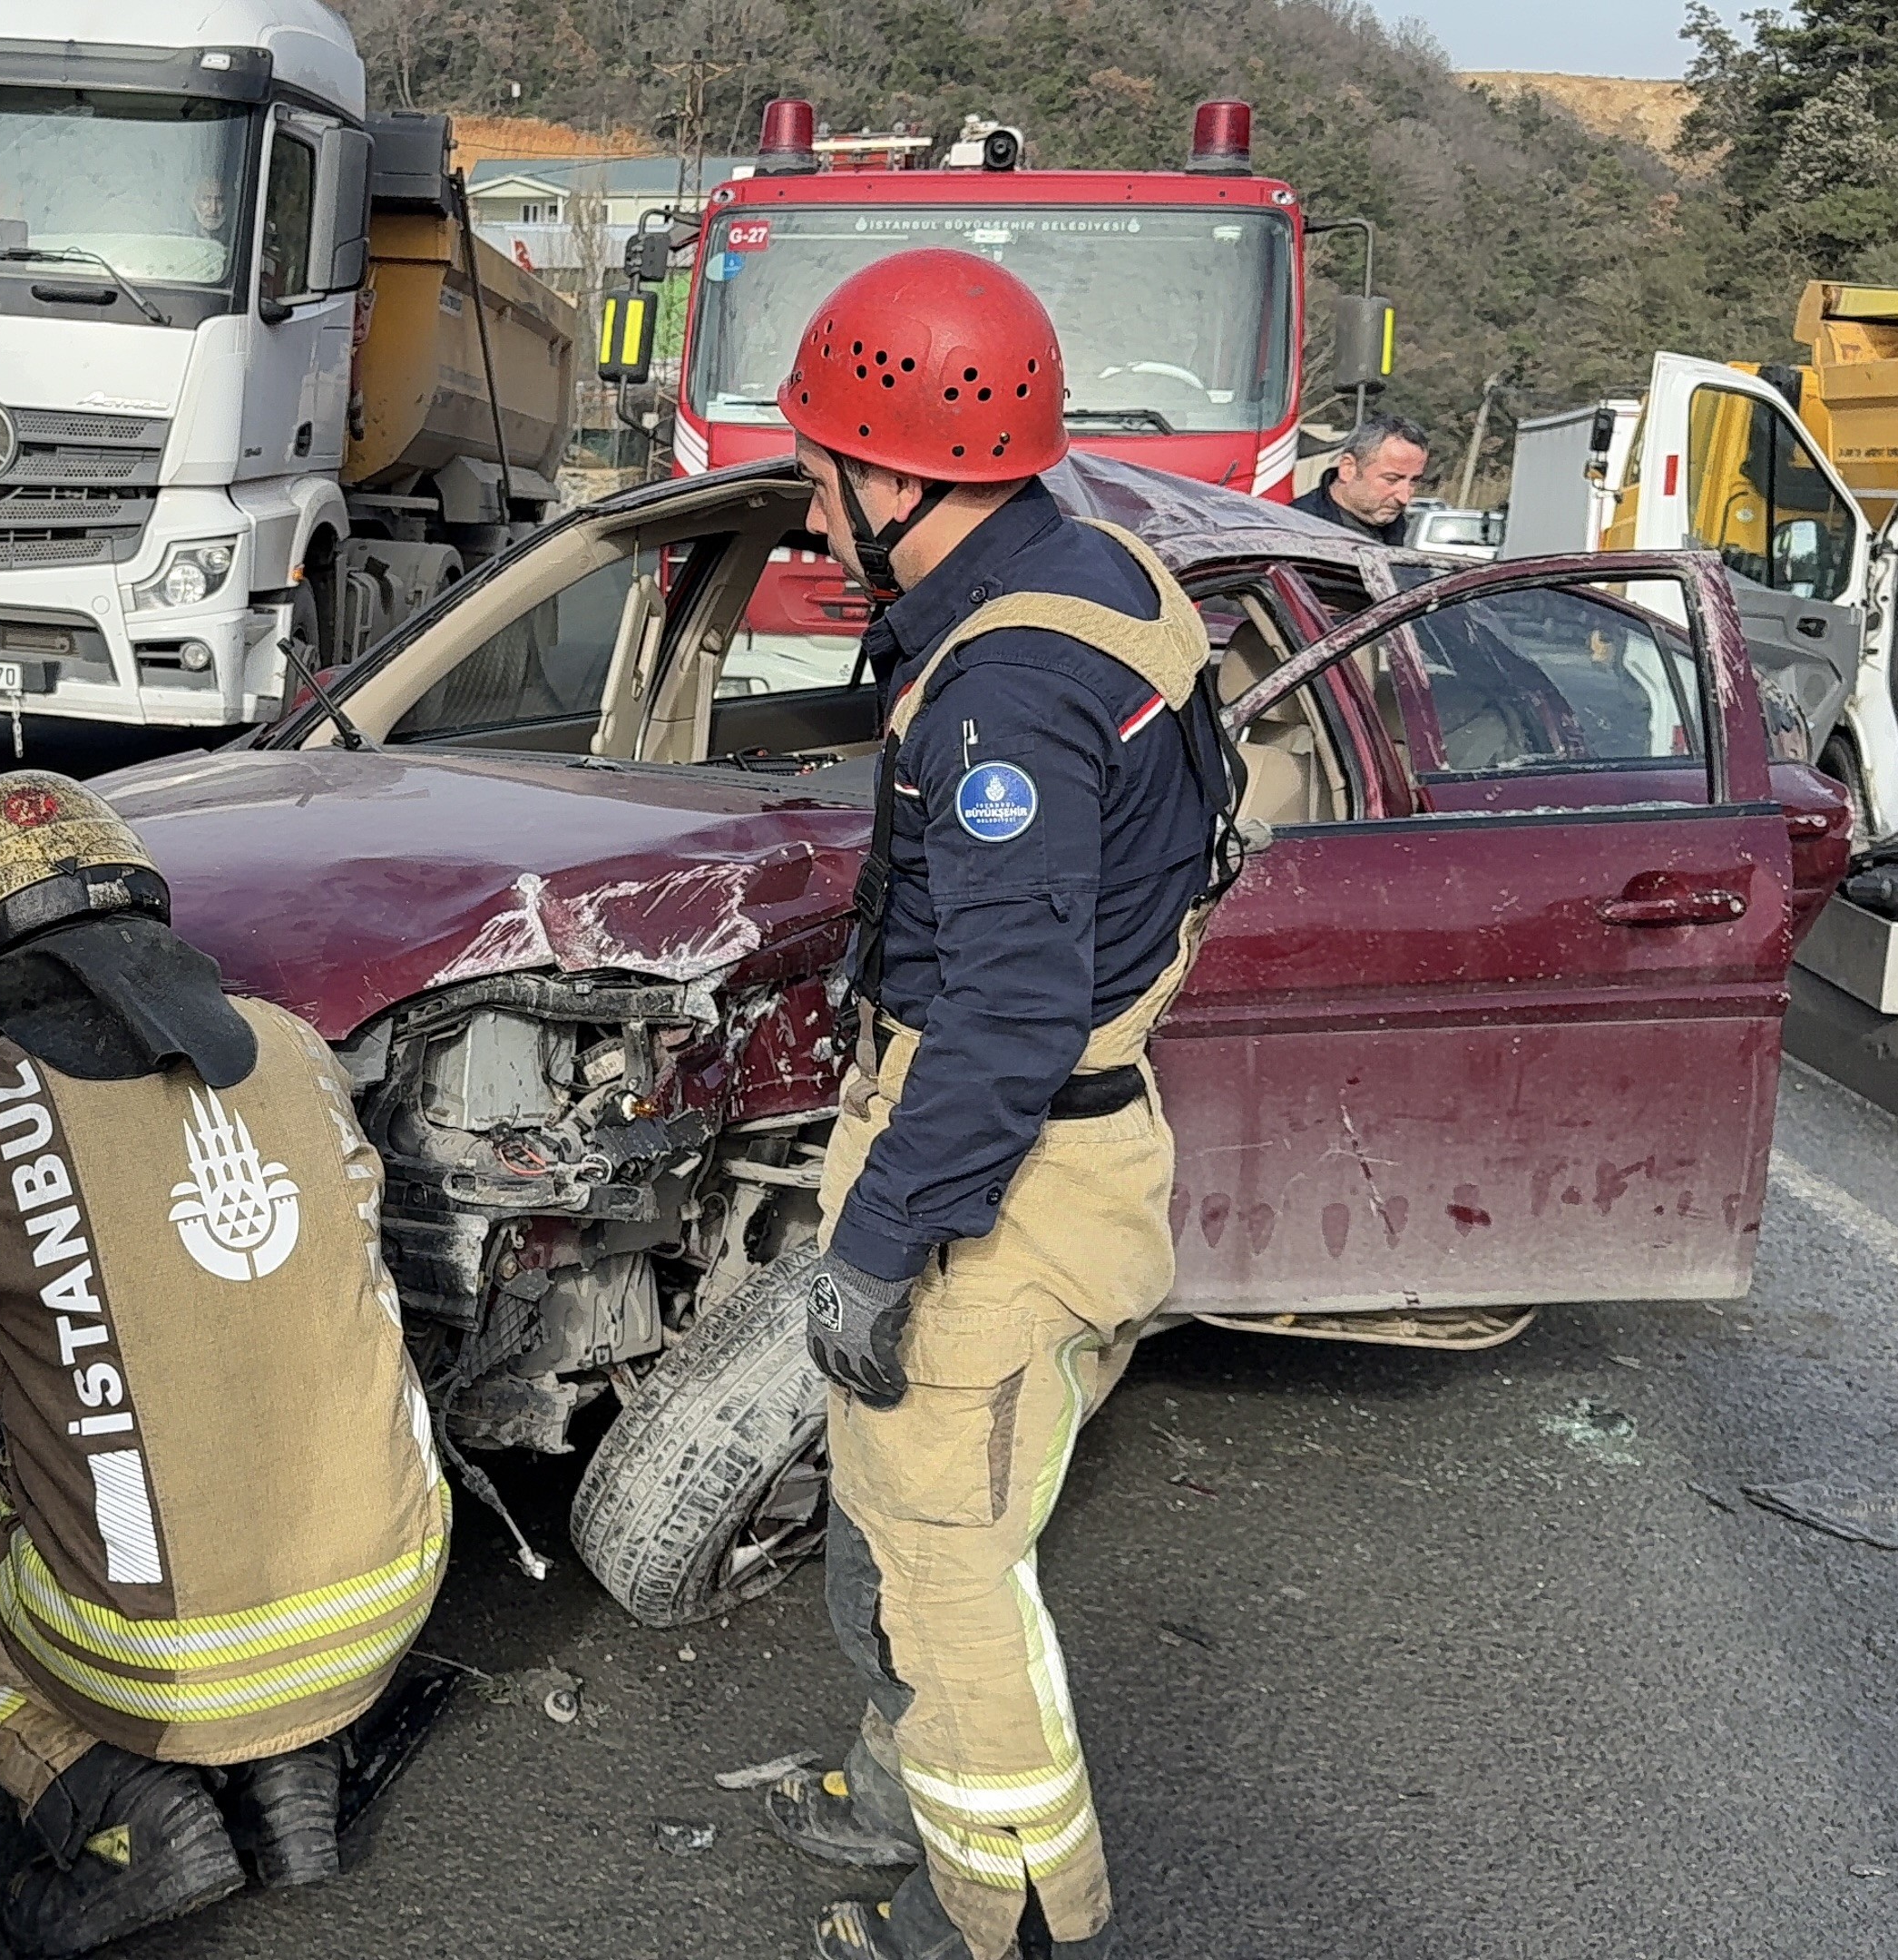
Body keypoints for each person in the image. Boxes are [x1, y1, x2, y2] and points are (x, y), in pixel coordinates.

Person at [754, 251, 1238, 1960]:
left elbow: (1010, 1012)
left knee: (949, 1565)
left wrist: (886, 1241)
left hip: (1002, 1179)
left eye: (820, 475)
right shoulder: (1094, 570)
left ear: (903, 473)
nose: (810, 516)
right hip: (1071, 1144)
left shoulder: (1007, 691)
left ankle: (1001, 1918)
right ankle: (896, 1809)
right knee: (904, 1516)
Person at [0, 772, 448, 1957]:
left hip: (158, 1657)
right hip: (389, 1601)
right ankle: (293, 1778)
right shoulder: (294, 1049)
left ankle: (116, 1805)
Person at [1292, 412, 1432, 545]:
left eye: (1414, 481)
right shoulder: (1294, 527)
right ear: (1348, 468)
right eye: (1392, 479)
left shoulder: (1398, 527)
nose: (1404, 498)